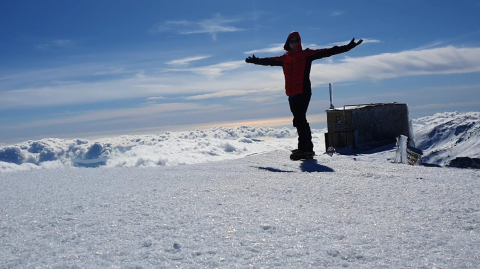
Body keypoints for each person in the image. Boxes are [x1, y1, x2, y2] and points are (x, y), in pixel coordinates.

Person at [245, 31, 362, 160]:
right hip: (291, 94)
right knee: (299, 120)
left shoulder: (306, 55)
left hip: (303, 92)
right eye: (292, 41)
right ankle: (308, 149)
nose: (294, 44)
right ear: (288, 43)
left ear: (299, 42)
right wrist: (255, 61)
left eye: (296, 41)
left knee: (299, 120)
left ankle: (303, 149)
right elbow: (269, 61)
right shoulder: (285, 58)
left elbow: (328, 51)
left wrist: (347, 47)